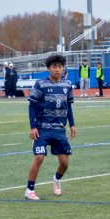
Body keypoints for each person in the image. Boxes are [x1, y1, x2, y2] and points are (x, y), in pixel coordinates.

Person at [24, 54, 76, 201]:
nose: (57, 69)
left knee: (65, 163)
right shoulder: (41, 84)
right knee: (39, 157)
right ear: (48, 69)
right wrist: (33, 127)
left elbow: (69, 107)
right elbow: (31, 106)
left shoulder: (67, 85)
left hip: (59, 129)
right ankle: (29, 190)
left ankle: (56, 178)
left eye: (60, 67)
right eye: (54, 67)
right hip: (42, 129)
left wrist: (72, 124)